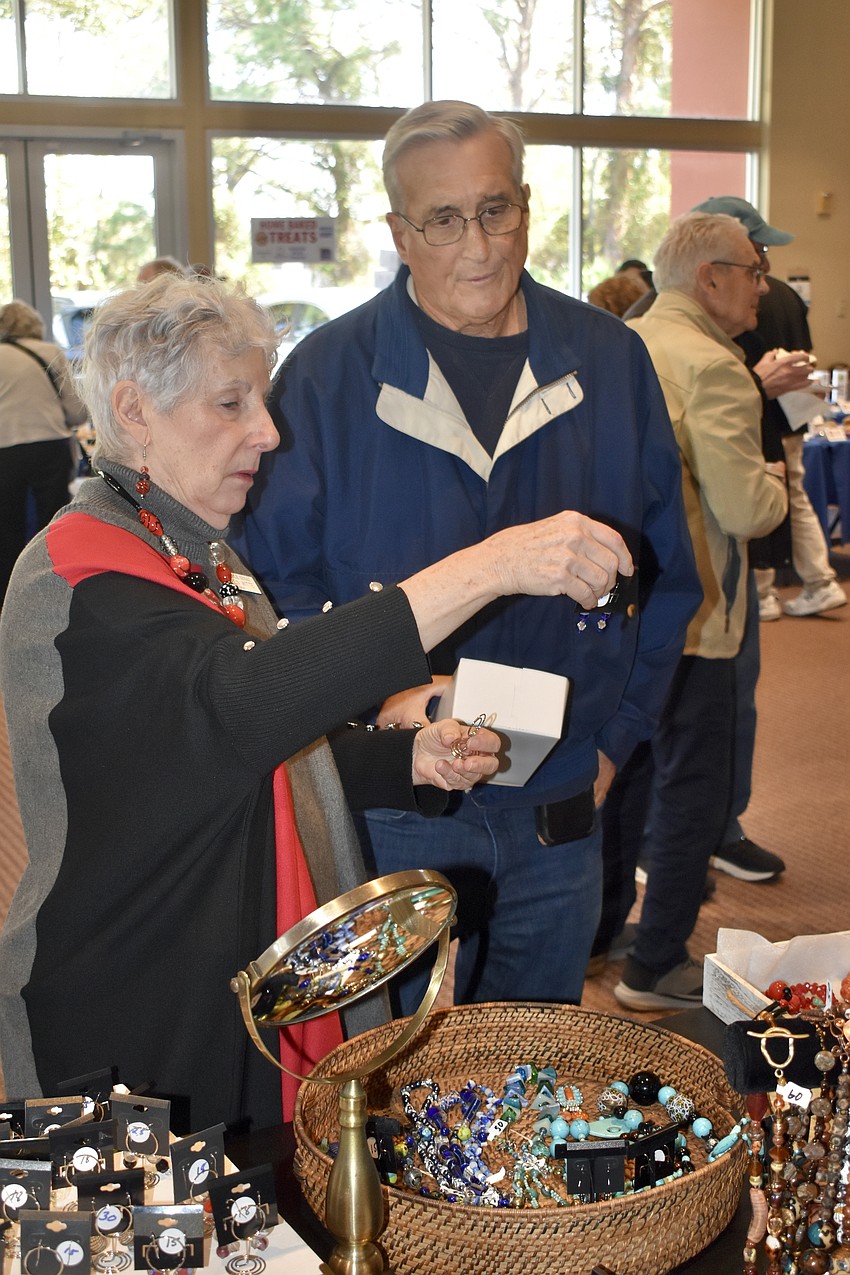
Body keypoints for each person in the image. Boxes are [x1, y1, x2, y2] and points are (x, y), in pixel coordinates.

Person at [0, 273, 636, 1133]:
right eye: (231, 403)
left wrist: (403, 756)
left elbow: (219, 755)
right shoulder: (77, 573)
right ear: (134, 412)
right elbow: (243, 705)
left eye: (259, 399)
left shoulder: (183, 551)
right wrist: (490, 567)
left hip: (219, 964)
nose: (267, 430)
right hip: (136, 1007)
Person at [232, 100, 702, 1015]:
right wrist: (374, 712)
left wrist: (612, 746)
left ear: (526, 205)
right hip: (397, 812)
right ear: (399, 233)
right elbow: (274, 593)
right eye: (443, 220)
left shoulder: (610, 360)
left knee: (535, 1083)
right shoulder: (327, 376)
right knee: (398, 1093)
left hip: (561, 806)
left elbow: (668, 575)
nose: (479, 244)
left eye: (496, 209)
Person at [605, 212, 788, 1011]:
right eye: (752, 269)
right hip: (699, 611)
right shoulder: (715, 366)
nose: (763, 284)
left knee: (626, 774)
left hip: (625, 608)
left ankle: (603, 930)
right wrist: (785, 483)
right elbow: (747, 508)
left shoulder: (626, 343)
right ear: (710, 278)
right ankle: (658, 960)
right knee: (696, 788)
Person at [694, 196, 846, 623]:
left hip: (766, 418)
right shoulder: (785, 299)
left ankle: (767, 592)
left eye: (761, 255)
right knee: (787, 495)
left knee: (767, 496)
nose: (763, 273)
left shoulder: (761, 298)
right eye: (757, 254)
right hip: (784, 417)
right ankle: (812, 580)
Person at [0, 300, 87, 608]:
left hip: (6, 451)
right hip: (50, 448)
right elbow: (76, 412)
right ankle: (57, 593)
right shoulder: (50, 352)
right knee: (52, 525)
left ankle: (10, 602)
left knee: (6, 529)